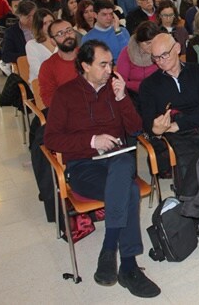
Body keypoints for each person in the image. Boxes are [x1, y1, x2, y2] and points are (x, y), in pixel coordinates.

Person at [43, 40, 160, 298]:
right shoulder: (66, 95)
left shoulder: (115, 89)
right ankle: (128, 266)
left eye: (111, 63)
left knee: (122, 163)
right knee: (128, 190)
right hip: (83, 166)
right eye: (103, 64)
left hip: (117, 159)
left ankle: (110, 251)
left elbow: (136, 129)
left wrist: (122, 99)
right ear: (85, 66)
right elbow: (51, 139)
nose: (110, 70)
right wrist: (91, 141)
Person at [139, 34, 199, 231]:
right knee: (189, 157)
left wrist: (180, 123)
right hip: (173, 134)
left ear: (177, 48)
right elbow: (148, 121)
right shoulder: (149, 85)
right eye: (155, 58)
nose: (160, 62)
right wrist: (156, 127)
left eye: (164, 55)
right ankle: (195, 214)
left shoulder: (198, 72)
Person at [38, 20, 79, 108]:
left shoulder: (89, 55)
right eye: (60, 34)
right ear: (53, 41)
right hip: (68, 111)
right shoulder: (48, 67)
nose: (67, 35)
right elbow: (48, 99)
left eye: (69, 30)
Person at [116, 21, 159, 104]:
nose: (152, 46)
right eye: (147, 43)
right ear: (139, 42)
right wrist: (142, 86)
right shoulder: (127, 53)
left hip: (157, 92)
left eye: (154, 41)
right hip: (134, 95)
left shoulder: (160, 51)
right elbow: (121, 81)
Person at [1, 0, 36, 65]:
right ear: (19, 16)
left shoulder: (42, 27)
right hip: (25, 64)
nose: (32, 19)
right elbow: (6, 55)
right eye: (28, 17)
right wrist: (27, 55)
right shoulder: (11, 32)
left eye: (34, 16)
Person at [25, 8, 56, 83]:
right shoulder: (31, 45)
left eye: (51, 21)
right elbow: (37, 70)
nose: (49, 25)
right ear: (38, 26)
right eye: (45, 23)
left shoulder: (61, 40)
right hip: (41, 83)